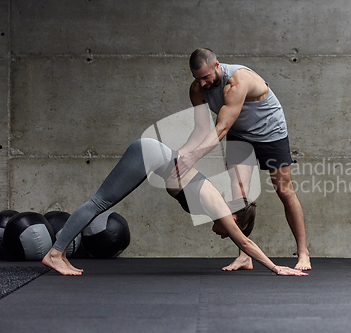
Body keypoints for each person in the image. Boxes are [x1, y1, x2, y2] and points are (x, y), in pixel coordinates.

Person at [42, 138, 307, 276]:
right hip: (149, 154)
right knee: (100, 202)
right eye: (228, 233)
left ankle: (60, 253)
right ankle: (55, 253)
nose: (223, 236)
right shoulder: (219, 207)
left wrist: (245, 257)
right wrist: (275, 267)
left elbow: (243, 241)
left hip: (153, 156)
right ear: (233, 220)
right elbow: (246, 242)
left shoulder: (219, 206)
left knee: (100, 202)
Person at [173, 48, 311, 271]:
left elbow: (221, 128)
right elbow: (201, 129)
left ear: (217, 66)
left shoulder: (237, 81)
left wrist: (194, 157)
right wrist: (183, 154)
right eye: (197, 78)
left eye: (206, 77)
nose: (203, 84)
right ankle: (245, 256)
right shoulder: (197, 88)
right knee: (239, 194)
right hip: (240, 134)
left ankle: (303, 252)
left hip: (270, 131)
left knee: (284, 191)